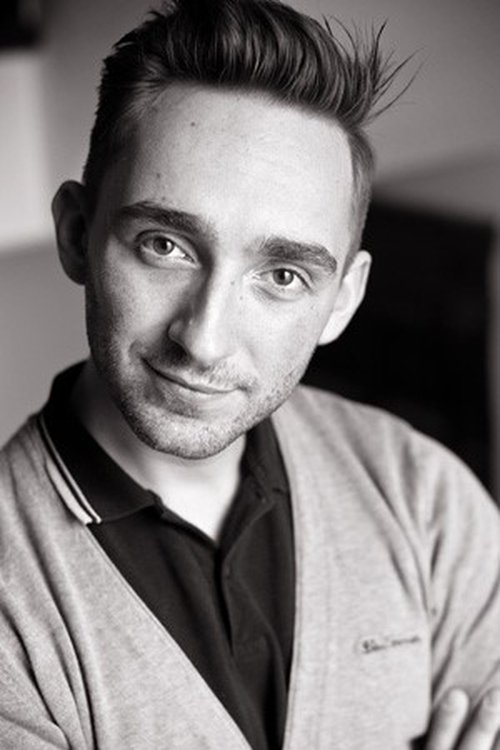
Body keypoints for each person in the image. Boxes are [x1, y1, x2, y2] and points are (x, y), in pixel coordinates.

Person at [1, 0, 500, 748]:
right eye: (165, 245)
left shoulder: (422, 499)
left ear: (342, 301)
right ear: (77, 233)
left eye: (283, 276)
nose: (204, 341)